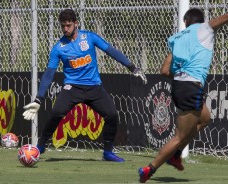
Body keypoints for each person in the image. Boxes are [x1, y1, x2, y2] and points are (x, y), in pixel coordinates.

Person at [138, 2, 228, 182]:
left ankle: (175, 156)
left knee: (205, 118)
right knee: (179, 136)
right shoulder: (204, 29)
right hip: (191, 87)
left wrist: (183, 73)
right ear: (201, 21)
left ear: (185, 21)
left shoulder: (176, 38)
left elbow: (164, 71)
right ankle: (149, 169)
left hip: (178, 86)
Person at [23, 9, 147, 162]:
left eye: (68, 25)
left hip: (94, 87)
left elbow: (111, 51)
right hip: (72, 88)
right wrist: (38, 99)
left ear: (76, 23)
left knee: (112, 115)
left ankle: (108, 152)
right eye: (63, 26)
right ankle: (40, 147)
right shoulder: (59, 48)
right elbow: (49, 74)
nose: (65, 29)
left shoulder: (89, 37)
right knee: (56, 113)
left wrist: (132, 67)